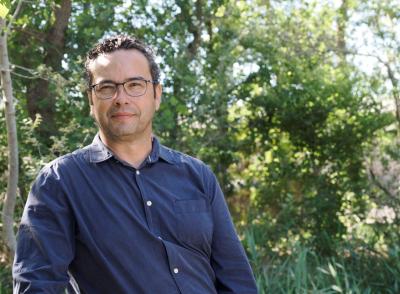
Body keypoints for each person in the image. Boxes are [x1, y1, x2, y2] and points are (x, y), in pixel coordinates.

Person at [13, 35, 258, 294]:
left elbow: (236, 278)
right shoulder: (60, 182)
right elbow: (37, 285)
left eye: (134, 84)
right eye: (107, 87)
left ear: (156, 94)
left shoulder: (198, 176)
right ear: (91, 100)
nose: (121, 98)